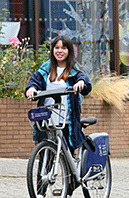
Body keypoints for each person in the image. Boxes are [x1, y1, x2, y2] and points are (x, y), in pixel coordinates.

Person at [25, 35, 92, 197]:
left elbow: (85, 81)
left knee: (68, 157)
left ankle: (69, 188)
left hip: (67, 120)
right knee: (45, 157)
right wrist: (31, 90)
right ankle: (40, 193)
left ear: (69, 51)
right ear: (52, 50)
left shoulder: (75, 69)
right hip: (47, 119)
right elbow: (33, 82)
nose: (60, 51)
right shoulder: (45, 69)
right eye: (57, 48)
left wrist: (81, 83)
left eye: (63, 48)